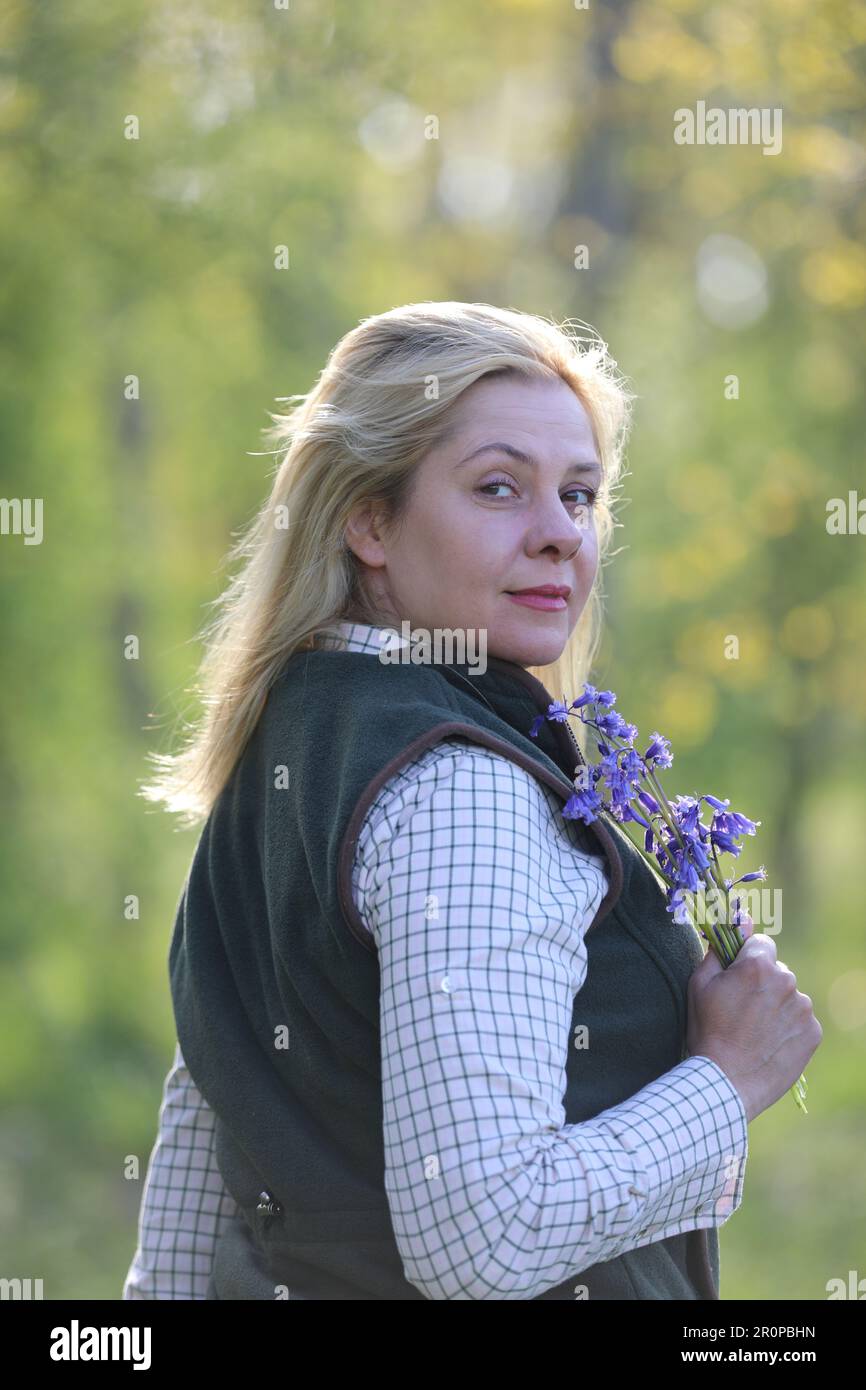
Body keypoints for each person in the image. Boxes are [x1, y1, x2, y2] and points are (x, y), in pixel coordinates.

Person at [123, 301, 822, 1300]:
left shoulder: (282, 746)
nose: (556, 535)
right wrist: (729, 1079)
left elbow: (198, 1183)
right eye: (499, 487)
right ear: (367, 518)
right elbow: (487, 1240)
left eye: (578, 495)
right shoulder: (462, 788)